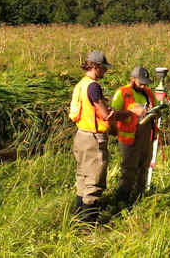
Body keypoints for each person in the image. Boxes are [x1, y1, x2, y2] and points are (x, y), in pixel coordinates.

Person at [69, 51, 116, 223]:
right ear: (96, 67)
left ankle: (78, 218)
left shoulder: (81, 84)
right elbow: (105, 114)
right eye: (104, 68)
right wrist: (112, 112)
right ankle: (89, 225)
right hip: (93, 139)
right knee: (94, 181)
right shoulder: (93, 86)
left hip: (81, 135)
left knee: (82, 178)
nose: (106, 71)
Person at [111, 66, 155, 204]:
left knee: (143, 170)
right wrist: (133, 111)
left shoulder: (148, 92)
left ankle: (139, 200)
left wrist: (156, 113)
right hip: (129, 140)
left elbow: (154, 108)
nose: (143, 85)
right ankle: (122, 201)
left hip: (146, 138)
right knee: (129, 172)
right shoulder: (121, 93)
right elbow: (114, 115)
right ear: (132, 79)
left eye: (145, 82)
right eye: (140, 82)